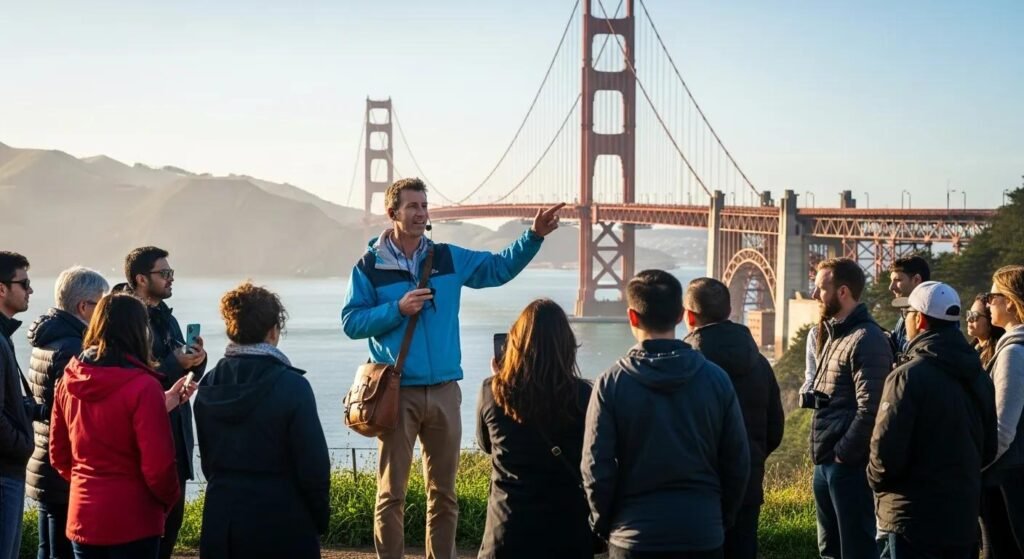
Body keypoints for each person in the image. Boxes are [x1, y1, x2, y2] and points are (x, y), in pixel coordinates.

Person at [341, 177, 563, 559]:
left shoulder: (447, 258)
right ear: (392, 212)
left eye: (424, 206)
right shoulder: (368, 267)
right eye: (412, 206)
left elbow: (498, 269)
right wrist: (397, 309)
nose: (420, 213)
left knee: (444, 493)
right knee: (390, 494)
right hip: (397, 391)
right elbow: (351, 322)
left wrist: (533, 236)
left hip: (444, 390)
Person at [582, 269, 750, 559]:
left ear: (632, 317)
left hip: (632, 536)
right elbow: (737, 461)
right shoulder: (717, 379)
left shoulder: (610, 383)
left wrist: (604, 524)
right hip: (702, 533)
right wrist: (720, 519)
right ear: (678, 315)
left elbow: (596, 468)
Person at [49, 293, 197, 559]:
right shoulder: (144, 386)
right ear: (140, 331)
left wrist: (88, 484)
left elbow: (59, 454)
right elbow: (159, 466)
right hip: (135, 518)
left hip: (84, 515)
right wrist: (168, 501)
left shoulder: (68, 380)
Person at [195, 282, 330, 559]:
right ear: (272, 331)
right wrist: (317, 520)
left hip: (223, 519)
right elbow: (313, 467)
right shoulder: (292, 386)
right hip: (283, 518)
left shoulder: (208, 384)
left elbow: (208, 461)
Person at [868, 282, 997, 558]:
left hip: (912, 521)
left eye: (907, 314)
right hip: (962, 519)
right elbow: (989, 448)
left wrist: (874, 482)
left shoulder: (907, 376)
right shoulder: (979, 375)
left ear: (920, 319)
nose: (905, 320)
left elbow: (884, 454)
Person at [476, 299, 594, 559]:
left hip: (507, 534)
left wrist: (499, 378)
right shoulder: (584, 395)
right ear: (566, 345)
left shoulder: (491, 391)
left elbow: (487, 446)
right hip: (567, 534)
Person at [683, 277, 784, 559]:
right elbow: (775, 427)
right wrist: (752, 456)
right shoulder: (760, 362)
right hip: (748, 484)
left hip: (698, 486)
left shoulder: (685, 363)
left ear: (689, 316)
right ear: (729, 311)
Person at [123, 246, 207, 559]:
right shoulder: (127, 324)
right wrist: (174, 363)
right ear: (141, 278)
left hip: (177, 444)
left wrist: (198, 360)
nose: (171, 279)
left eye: (171, 273)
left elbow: (177, 370)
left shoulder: (166, 318)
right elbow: (134, 378)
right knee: (148, 542)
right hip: (150, 444)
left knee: (168, 537)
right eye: (164, 273)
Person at [809, 258, 893, 559]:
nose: (815, 295)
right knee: (830, 549)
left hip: (847, 464)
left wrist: (844, 454)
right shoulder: (838, 333)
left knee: (856, 548)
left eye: (821, 288)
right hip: (828, 460)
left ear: (843, 292)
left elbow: (872, 408)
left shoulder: (866, 339)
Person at [26, 267, 108, 559]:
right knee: (61, 548)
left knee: (48, 545)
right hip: (64, 462)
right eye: (102, 304)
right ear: (84, 307)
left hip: (44, 456)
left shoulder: (49, 336)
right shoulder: (73, 347)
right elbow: (78, 409)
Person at [979, 265, 1024, 558]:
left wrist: (973, 465)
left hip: (1004, 480)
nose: (986, 303)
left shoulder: (1012, 352)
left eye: (992, 296)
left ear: (1009, 301)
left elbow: (1002, 430)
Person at [0, 251, 36, 559]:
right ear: (2, 289)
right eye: (24, 283)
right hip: (4, 470)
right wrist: (21, 444)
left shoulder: (4, 335)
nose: (30, 290)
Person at [887, 256, 930, 358]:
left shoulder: (930, 315)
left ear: (916, 279)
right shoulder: (906, 311)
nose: (891, 287)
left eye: (897, 280)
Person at [969, 293, 1005, 367]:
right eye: (969, 314)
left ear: (990, 321)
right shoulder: (968, 351)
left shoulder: (1001, 354)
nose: (969, 319)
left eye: (974, 315)